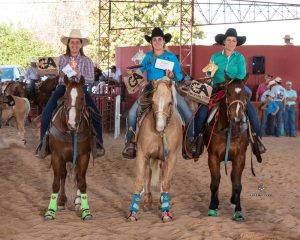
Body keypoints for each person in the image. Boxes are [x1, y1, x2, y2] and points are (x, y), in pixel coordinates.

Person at [193, 28, 266, 158]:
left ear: (236, 43)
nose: (231, 43)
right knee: (202, 111)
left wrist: (230, 83)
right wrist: (209, 76)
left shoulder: (240, 58)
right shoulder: (215, 57)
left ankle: (258, 140)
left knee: (251, 111)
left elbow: (242, 74)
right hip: (217, 87)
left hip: (235, 88)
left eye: (234, 41)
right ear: (224, 42)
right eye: (229, 40)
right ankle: (197, 140)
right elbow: (209, 73)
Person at [122, 27, 193, 159]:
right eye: (154, 39)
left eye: (160, 39)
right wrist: (133, 73)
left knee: (188, 113)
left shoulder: (171, 57)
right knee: (132, 113)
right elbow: (140, 71)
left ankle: (190, 141)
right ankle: (130, 141)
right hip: (151, 88)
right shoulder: (147, 57)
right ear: (152, 42)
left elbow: (179, 75)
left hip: (168, 87)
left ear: (164, 41)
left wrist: (172, 74)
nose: (157, 41)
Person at [36, 29, 105, 158]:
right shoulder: (62, 59)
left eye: (77, 42)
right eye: (72, 42)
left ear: (81, 44)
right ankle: (43, 144)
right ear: (68, 44)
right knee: (46, 112)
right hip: (63, 88)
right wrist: (69, 71)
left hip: (81, 89)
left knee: (96, 115)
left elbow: (90, 79)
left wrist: (76, 71)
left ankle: (99, 144)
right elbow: (61, 78)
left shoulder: (87, 61)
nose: (74, 45)